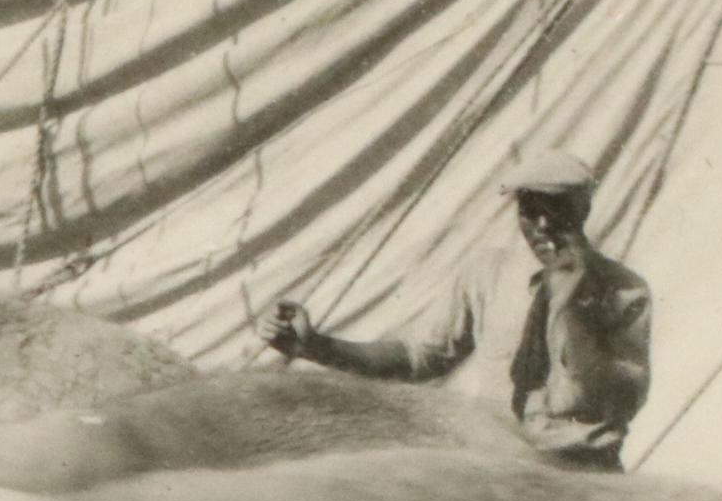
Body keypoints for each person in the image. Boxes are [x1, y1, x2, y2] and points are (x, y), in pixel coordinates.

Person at [261, 148, 652, 469]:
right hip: (499, 472)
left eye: (557, 210)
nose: (543, 224)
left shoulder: (623, 292)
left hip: (585, 481)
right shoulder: (486, 273)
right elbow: (417, 359)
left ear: (583, 210)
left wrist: (571, 300)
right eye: (529, 210)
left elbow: (605, 398)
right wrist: (313, 345)